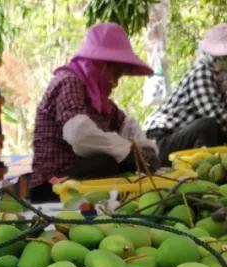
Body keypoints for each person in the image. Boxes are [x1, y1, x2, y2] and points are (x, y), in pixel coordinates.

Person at [28, 23, 158, 202]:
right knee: (106, 162)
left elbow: (127, 124)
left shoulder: (98, 99)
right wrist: (127, 151)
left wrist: (145, 148)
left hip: (79, 179)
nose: (115, 83)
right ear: (101, 66)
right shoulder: (69, 82)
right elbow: (79, 135)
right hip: (53, 187)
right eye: (115, 74)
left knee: (113, 164)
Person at [144, 24, 227, 159]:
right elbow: (216, 115)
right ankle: (201, 165)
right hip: (160, 140)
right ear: (225, 55)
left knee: (222, 131)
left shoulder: (218, 78)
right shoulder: (201, 73)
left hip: (177, 136)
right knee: (209, 125)